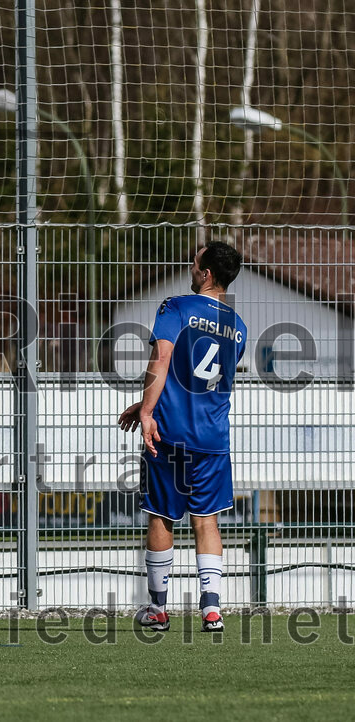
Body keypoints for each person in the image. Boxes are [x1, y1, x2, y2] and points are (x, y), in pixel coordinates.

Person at [118, 241, 246, 633]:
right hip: (212, 438)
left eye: (195, 264)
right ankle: (212, 610)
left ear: (206, 273)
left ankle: (158, 610)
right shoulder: (238, 327)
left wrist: (147, 410)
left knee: (162, 515)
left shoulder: (176, 307)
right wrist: (143, 403)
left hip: (171, 433)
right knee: (207, 520)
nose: (191, 269)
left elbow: (162, 360)